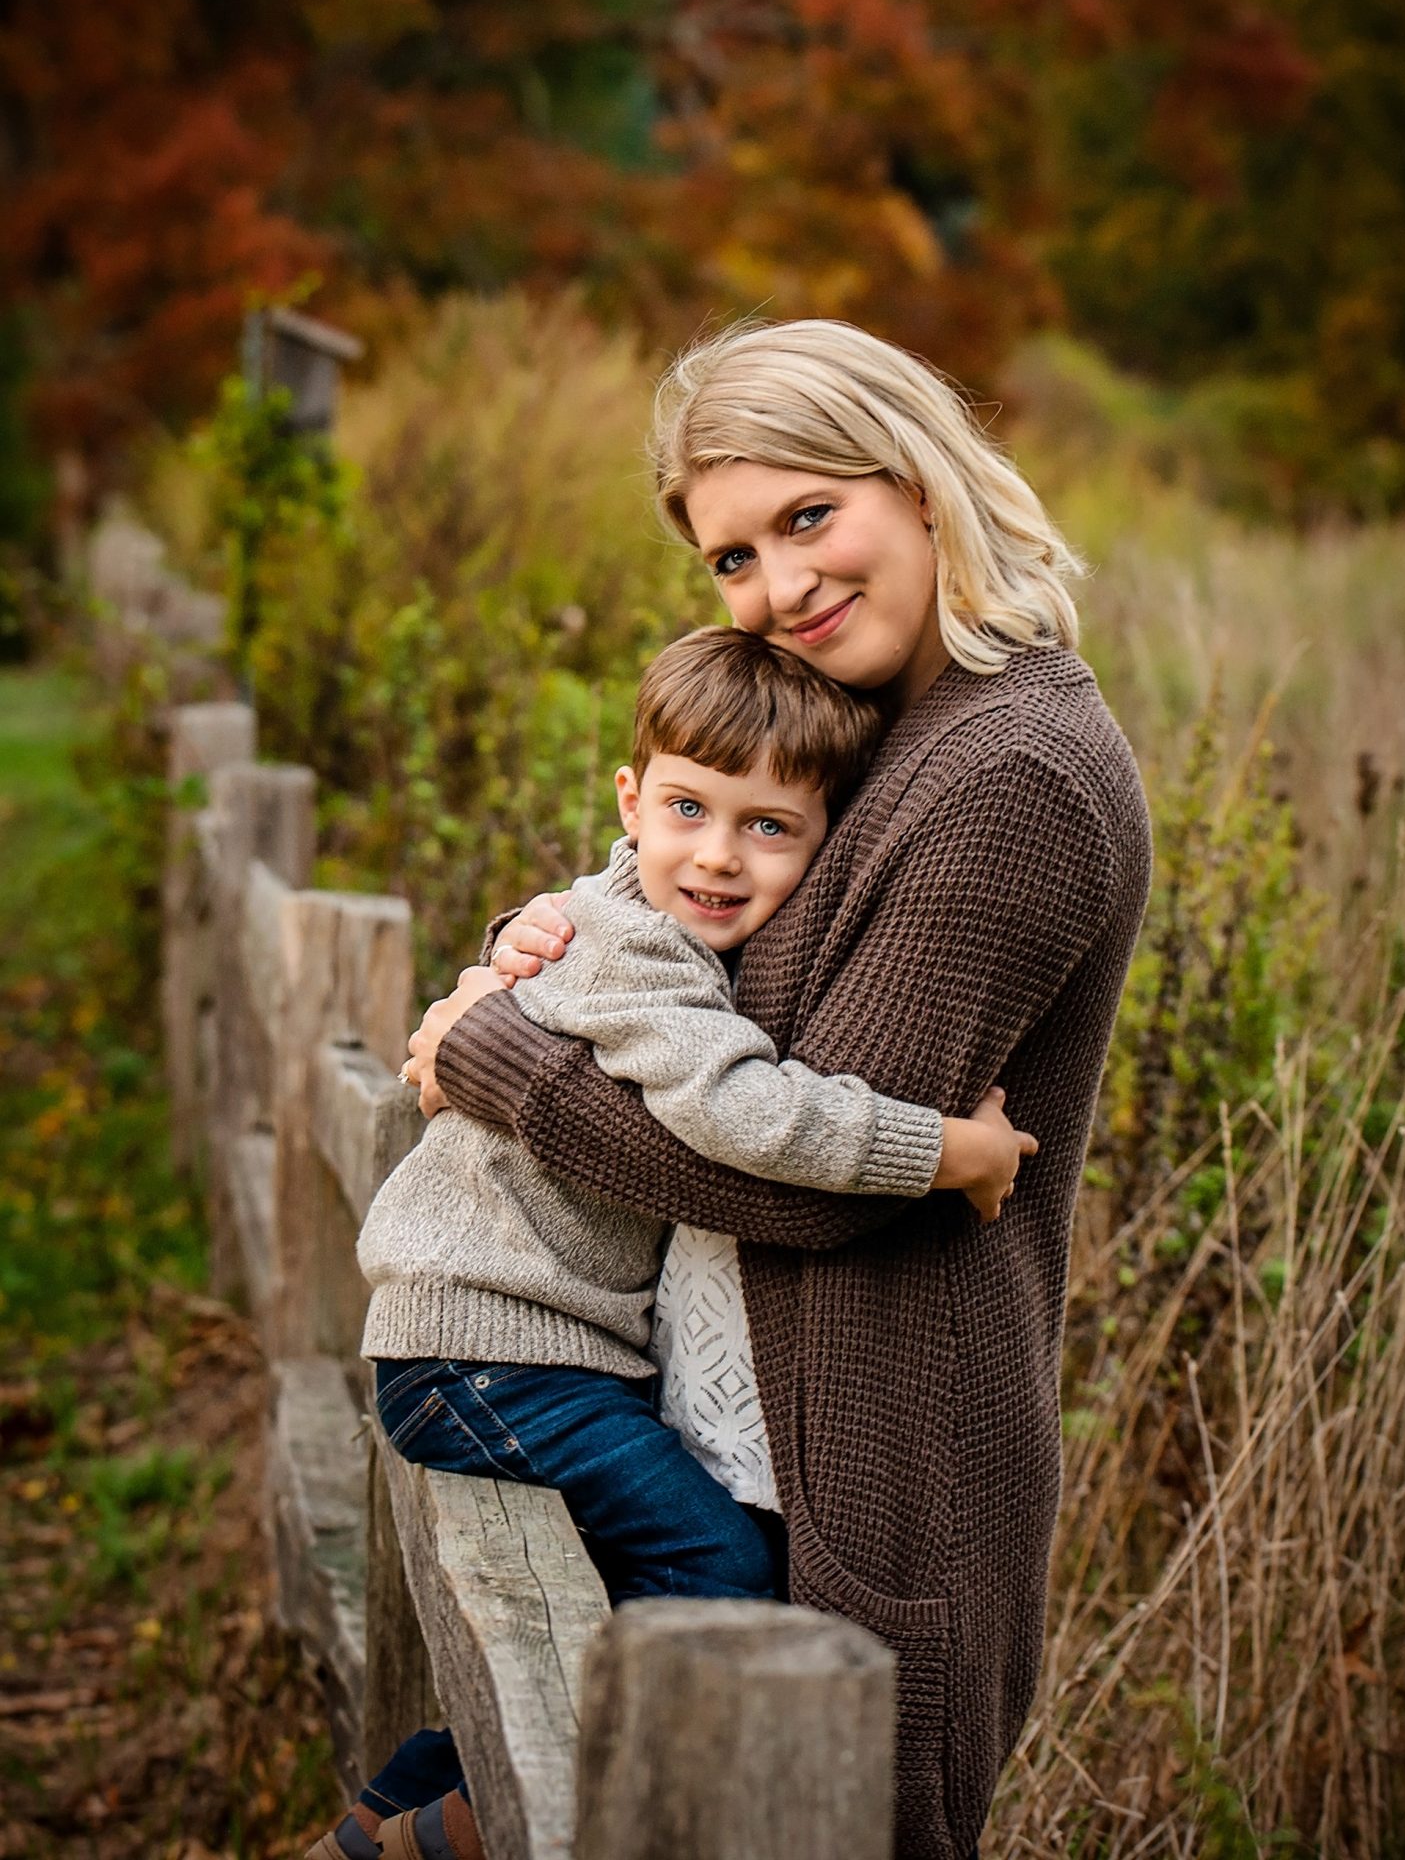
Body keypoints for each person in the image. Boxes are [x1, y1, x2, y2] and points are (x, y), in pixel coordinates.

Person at [389, 317, 1151, 1860]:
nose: (778, 588)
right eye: (731, 558)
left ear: (923, 483)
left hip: (882, 1452)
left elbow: (778, 1169)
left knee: (783, 1815)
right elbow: (669, 913)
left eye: (809, 518)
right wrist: (526, 949)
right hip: (729, 1420)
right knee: (582, 1758)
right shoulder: (878, 722)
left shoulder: (1012, 772)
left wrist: (492, 1057)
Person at [311, 627, 1031, 1860]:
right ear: (632, 801)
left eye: (769, 827)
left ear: (828, 844)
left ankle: (388, 1826)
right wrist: (949, 1150)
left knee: (604, 1609)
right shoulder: (638, 949)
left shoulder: (626, 916)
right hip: (489, 1354)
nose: (715, 854)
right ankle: (491, 1828)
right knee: (720, 1570)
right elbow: (750, 1113)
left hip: (509, 1354)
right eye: (689, 808)